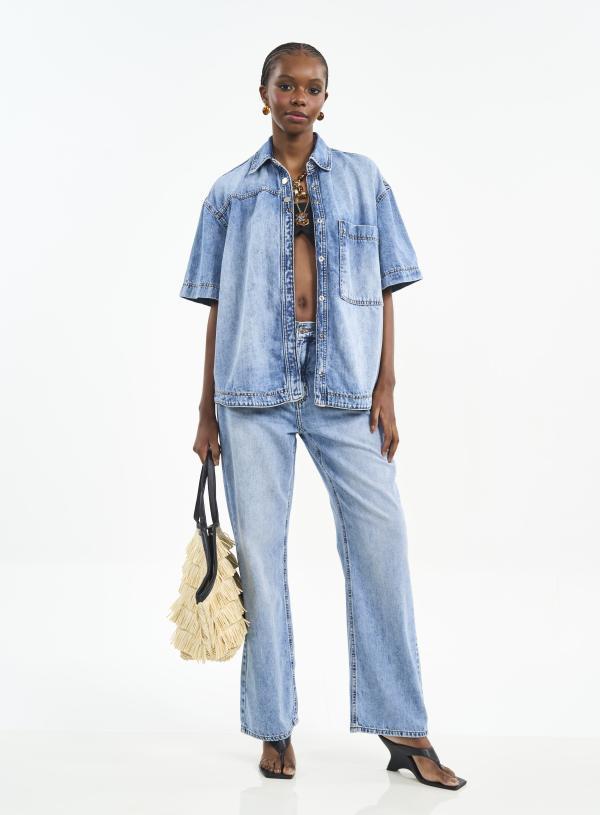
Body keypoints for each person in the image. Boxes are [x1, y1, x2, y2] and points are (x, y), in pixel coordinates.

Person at [179, 42, 466, 790]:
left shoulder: (365, 180)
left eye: (312, 88)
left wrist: (387, 386)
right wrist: (206, 411)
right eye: (286, 85)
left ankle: (402, 725)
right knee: (262, 561)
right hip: (251, 393)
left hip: (346, 389)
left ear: (325, 100)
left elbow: (388, 286)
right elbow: (216, 309)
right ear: (264, 94)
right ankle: (274, 725)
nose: (298, 98)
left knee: (382, 545)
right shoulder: (230, 192)